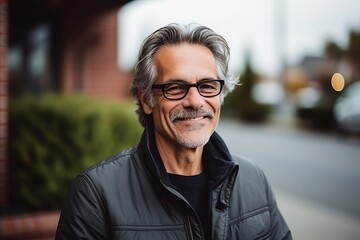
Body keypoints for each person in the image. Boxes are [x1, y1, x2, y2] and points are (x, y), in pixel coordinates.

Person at [55, 23, 292, 240]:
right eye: (176, 87)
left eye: (207, 86)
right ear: (146, 99)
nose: (195, 101)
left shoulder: (254, 179)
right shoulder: (95, 194)